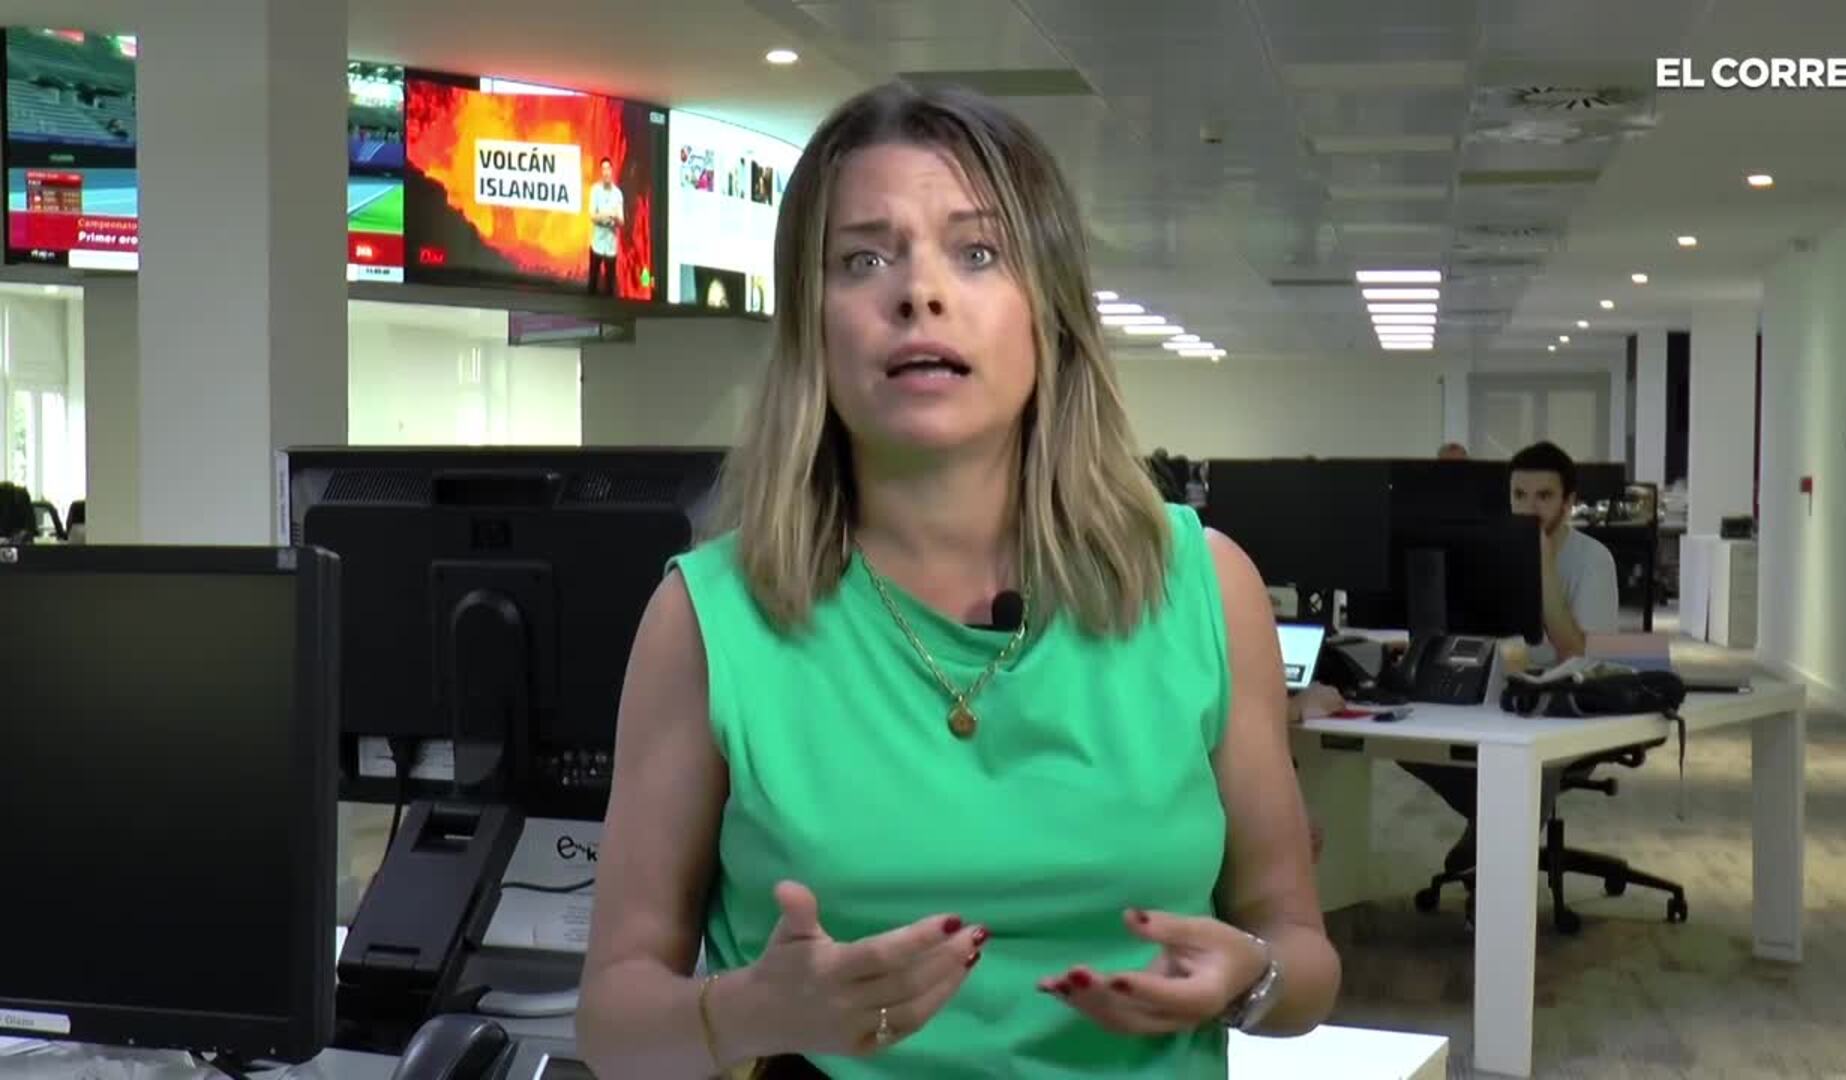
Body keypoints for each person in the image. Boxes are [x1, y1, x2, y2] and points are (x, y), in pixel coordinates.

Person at [576, 82, 1339, 1079]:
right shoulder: (708, 617)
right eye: (863, 259)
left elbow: (1302, 955)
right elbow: (613, 1022)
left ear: (1049, 312)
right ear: (812, 323)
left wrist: (1253, 978)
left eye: (977, 253)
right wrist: (746, 1013)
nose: (919, 294)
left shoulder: (1204, 587)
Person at [1402, 440, 1620, 870]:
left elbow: (1579, 654)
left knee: (1527, 762)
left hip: (1563, 704)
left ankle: (1493, 859)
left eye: (1544, 496)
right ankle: (1490, 824)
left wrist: (1542, 566)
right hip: (1496, 690)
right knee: (1407, 737)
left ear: (1568, 503)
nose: (1528, 508)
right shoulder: (1491, 547)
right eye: (1519, 495)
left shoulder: (1593, 560)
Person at [588, 156, 624, 295]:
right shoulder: (595, 190)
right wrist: (609, 214)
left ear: (611, 171)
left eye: (608, 168)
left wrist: (613, 217)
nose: (606, 172)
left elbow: (621, 221)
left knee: (609, 287)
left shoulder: (617, 194)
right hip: (596, 244)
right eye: (603, 169)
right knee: (592, 283)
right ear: (601, 172)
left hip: (610, 247)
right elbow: (592, 216)